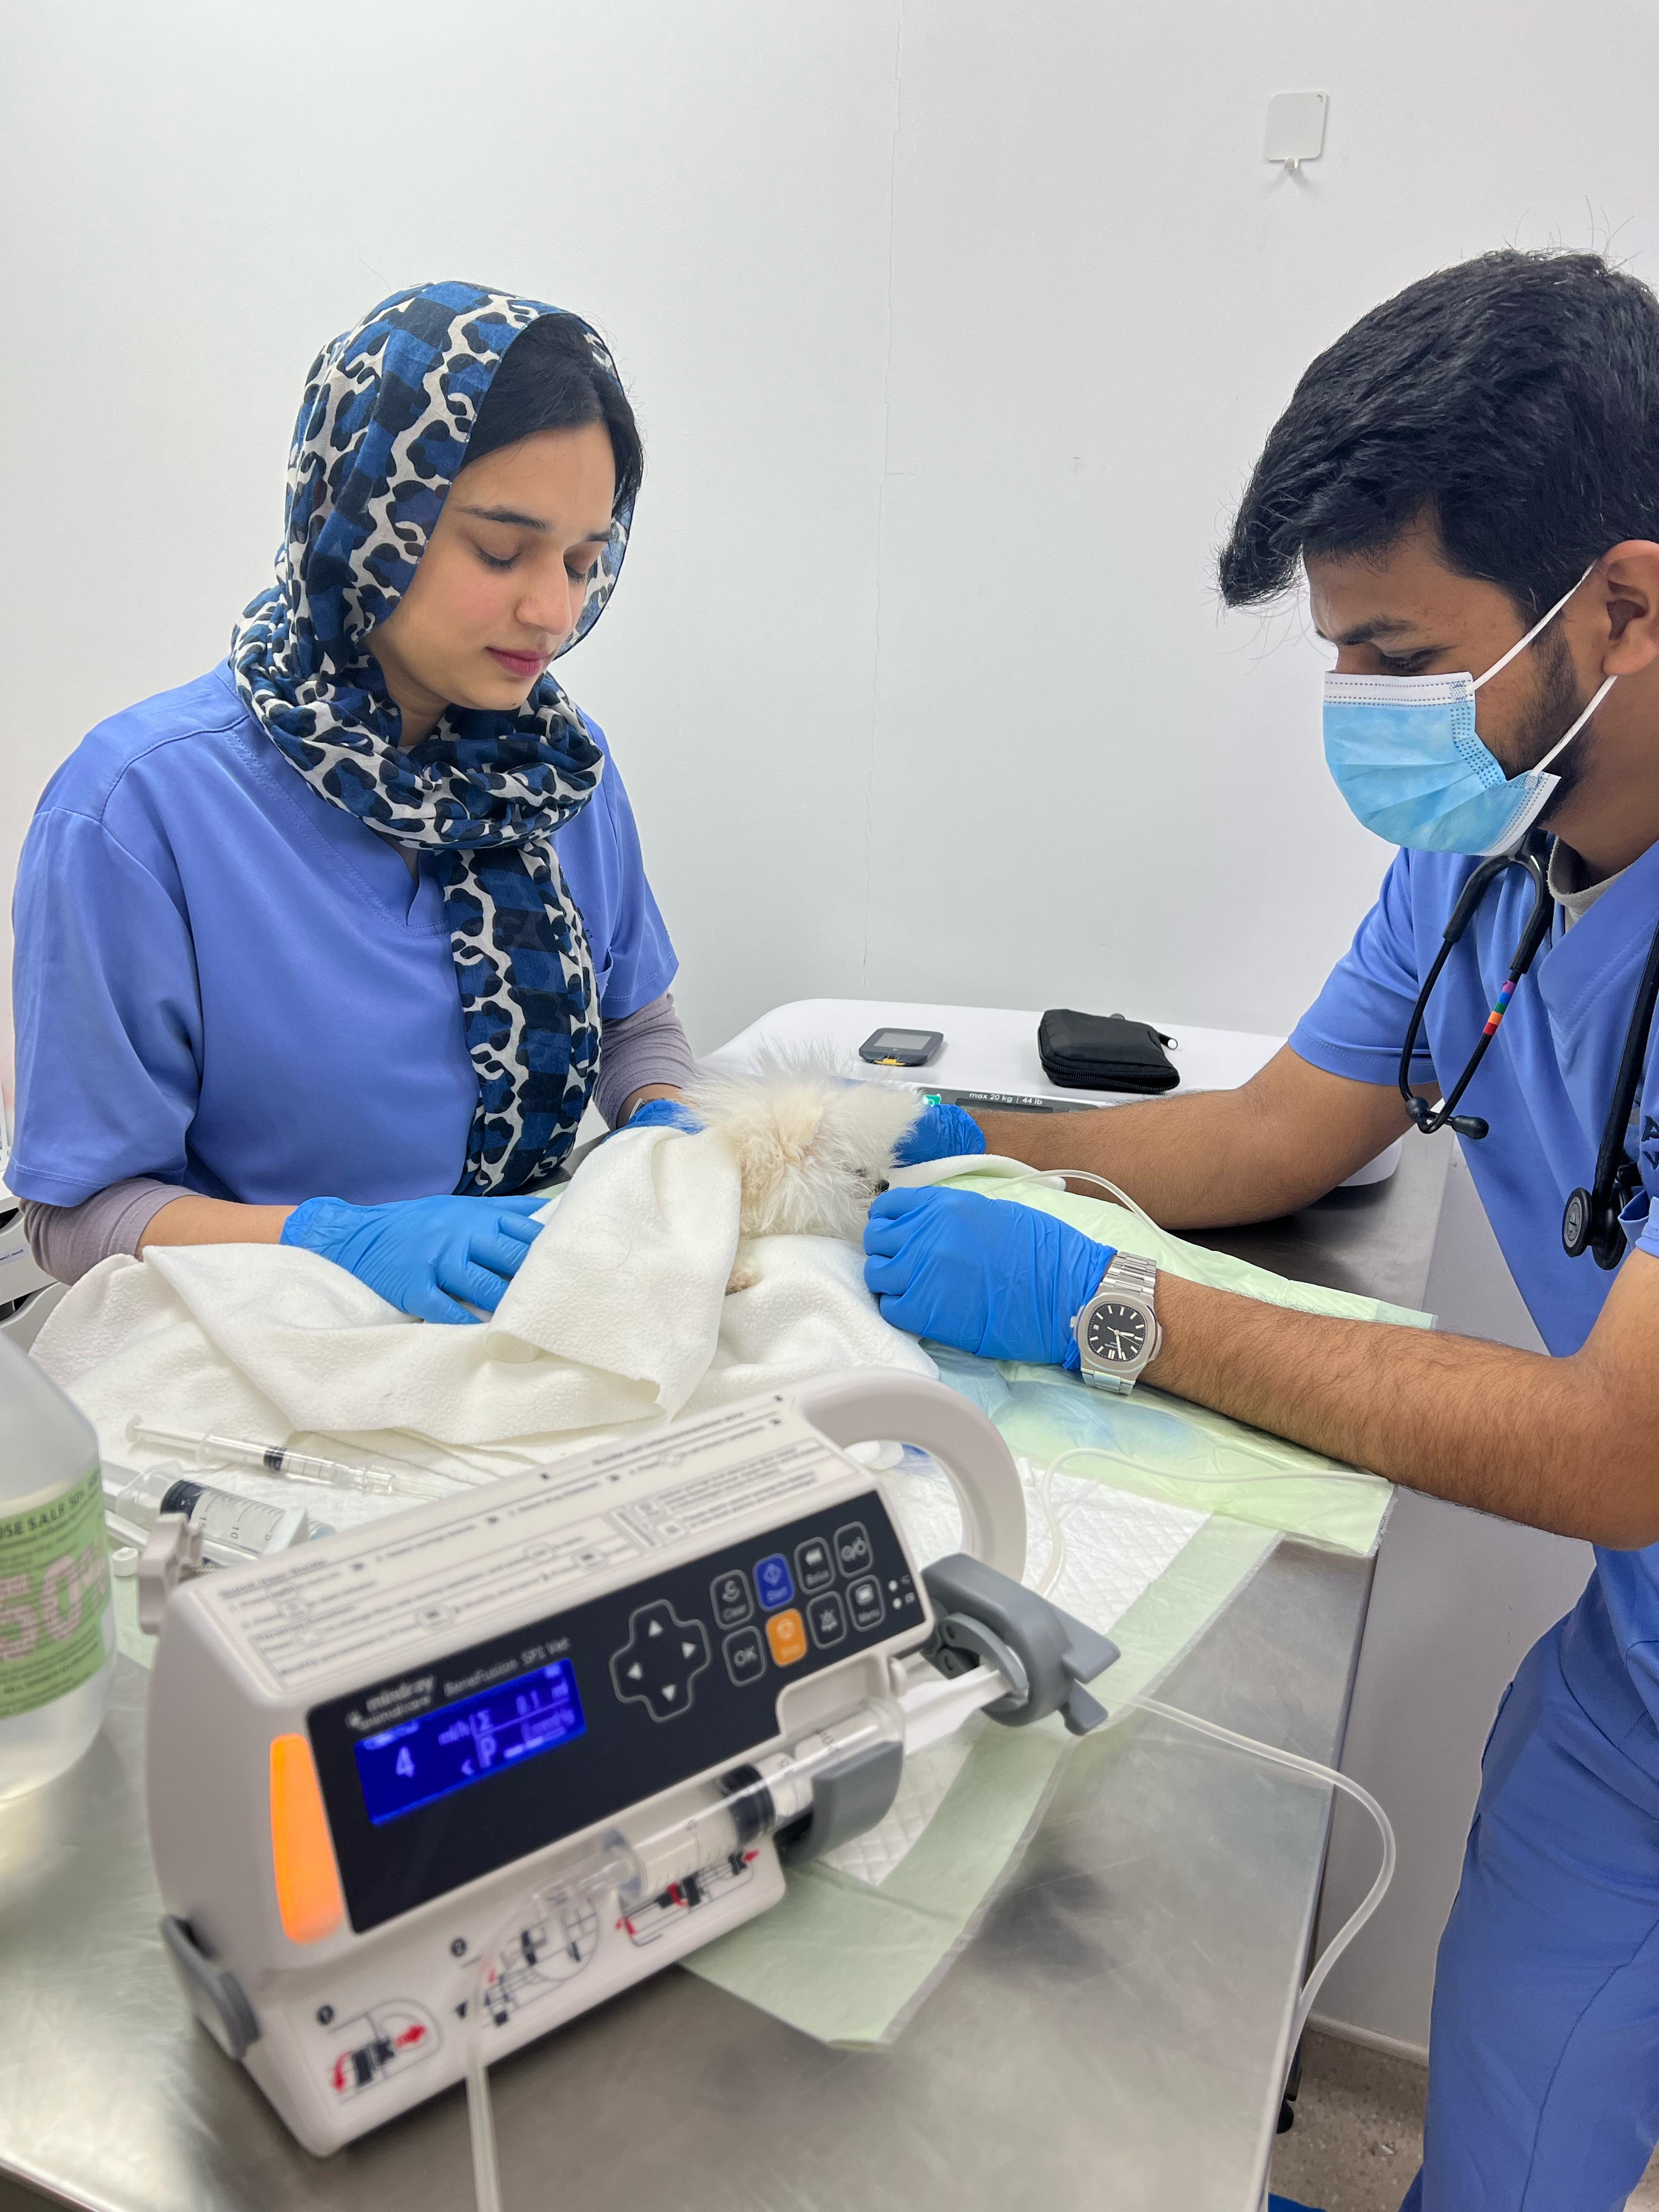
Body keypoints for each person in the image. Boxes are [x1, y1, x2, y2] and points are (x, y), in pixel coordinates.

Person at [869, 249, 1659, 2211]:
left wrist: (1105, 1312)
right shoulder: (1486, 858)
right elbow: (1273, 1128)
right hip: (1633, 1698)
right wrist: (967, 1137)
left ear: (1626, 605)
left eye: (1399, 656)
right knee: (1502, 2164)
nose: (1359, 710)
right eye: (1336, 654)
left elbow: (1611, 1450)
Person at [6, 283, 697, 1325]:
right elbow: (76, 1218)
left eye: (582, 562)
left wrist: (664, 1124)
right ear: (367, 515)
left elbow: (634, 1026)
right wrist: (330, 1242)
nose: (553, 611)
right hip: (256, 1364)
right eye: (502, 551)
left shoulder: (554, 771)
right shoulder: (137, 812)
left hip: (530, 1319)